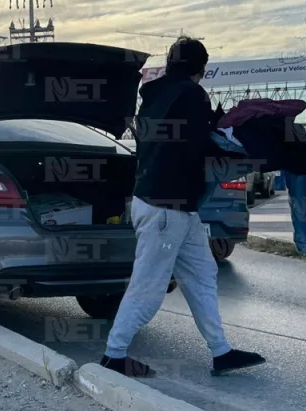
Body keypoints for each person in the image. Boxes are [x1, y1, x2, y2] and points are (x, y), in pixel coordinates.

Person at [100, 38, 267, 378]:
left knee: (203, 275)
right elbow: (197, 149)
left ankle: (221, 352)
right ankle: (114, 355)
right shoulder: (192, 95)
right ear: (200, 69)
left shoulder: (152, 97)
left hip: (171, 206)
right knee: (148, 286)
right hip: (166, 209)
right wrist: (237, 152)